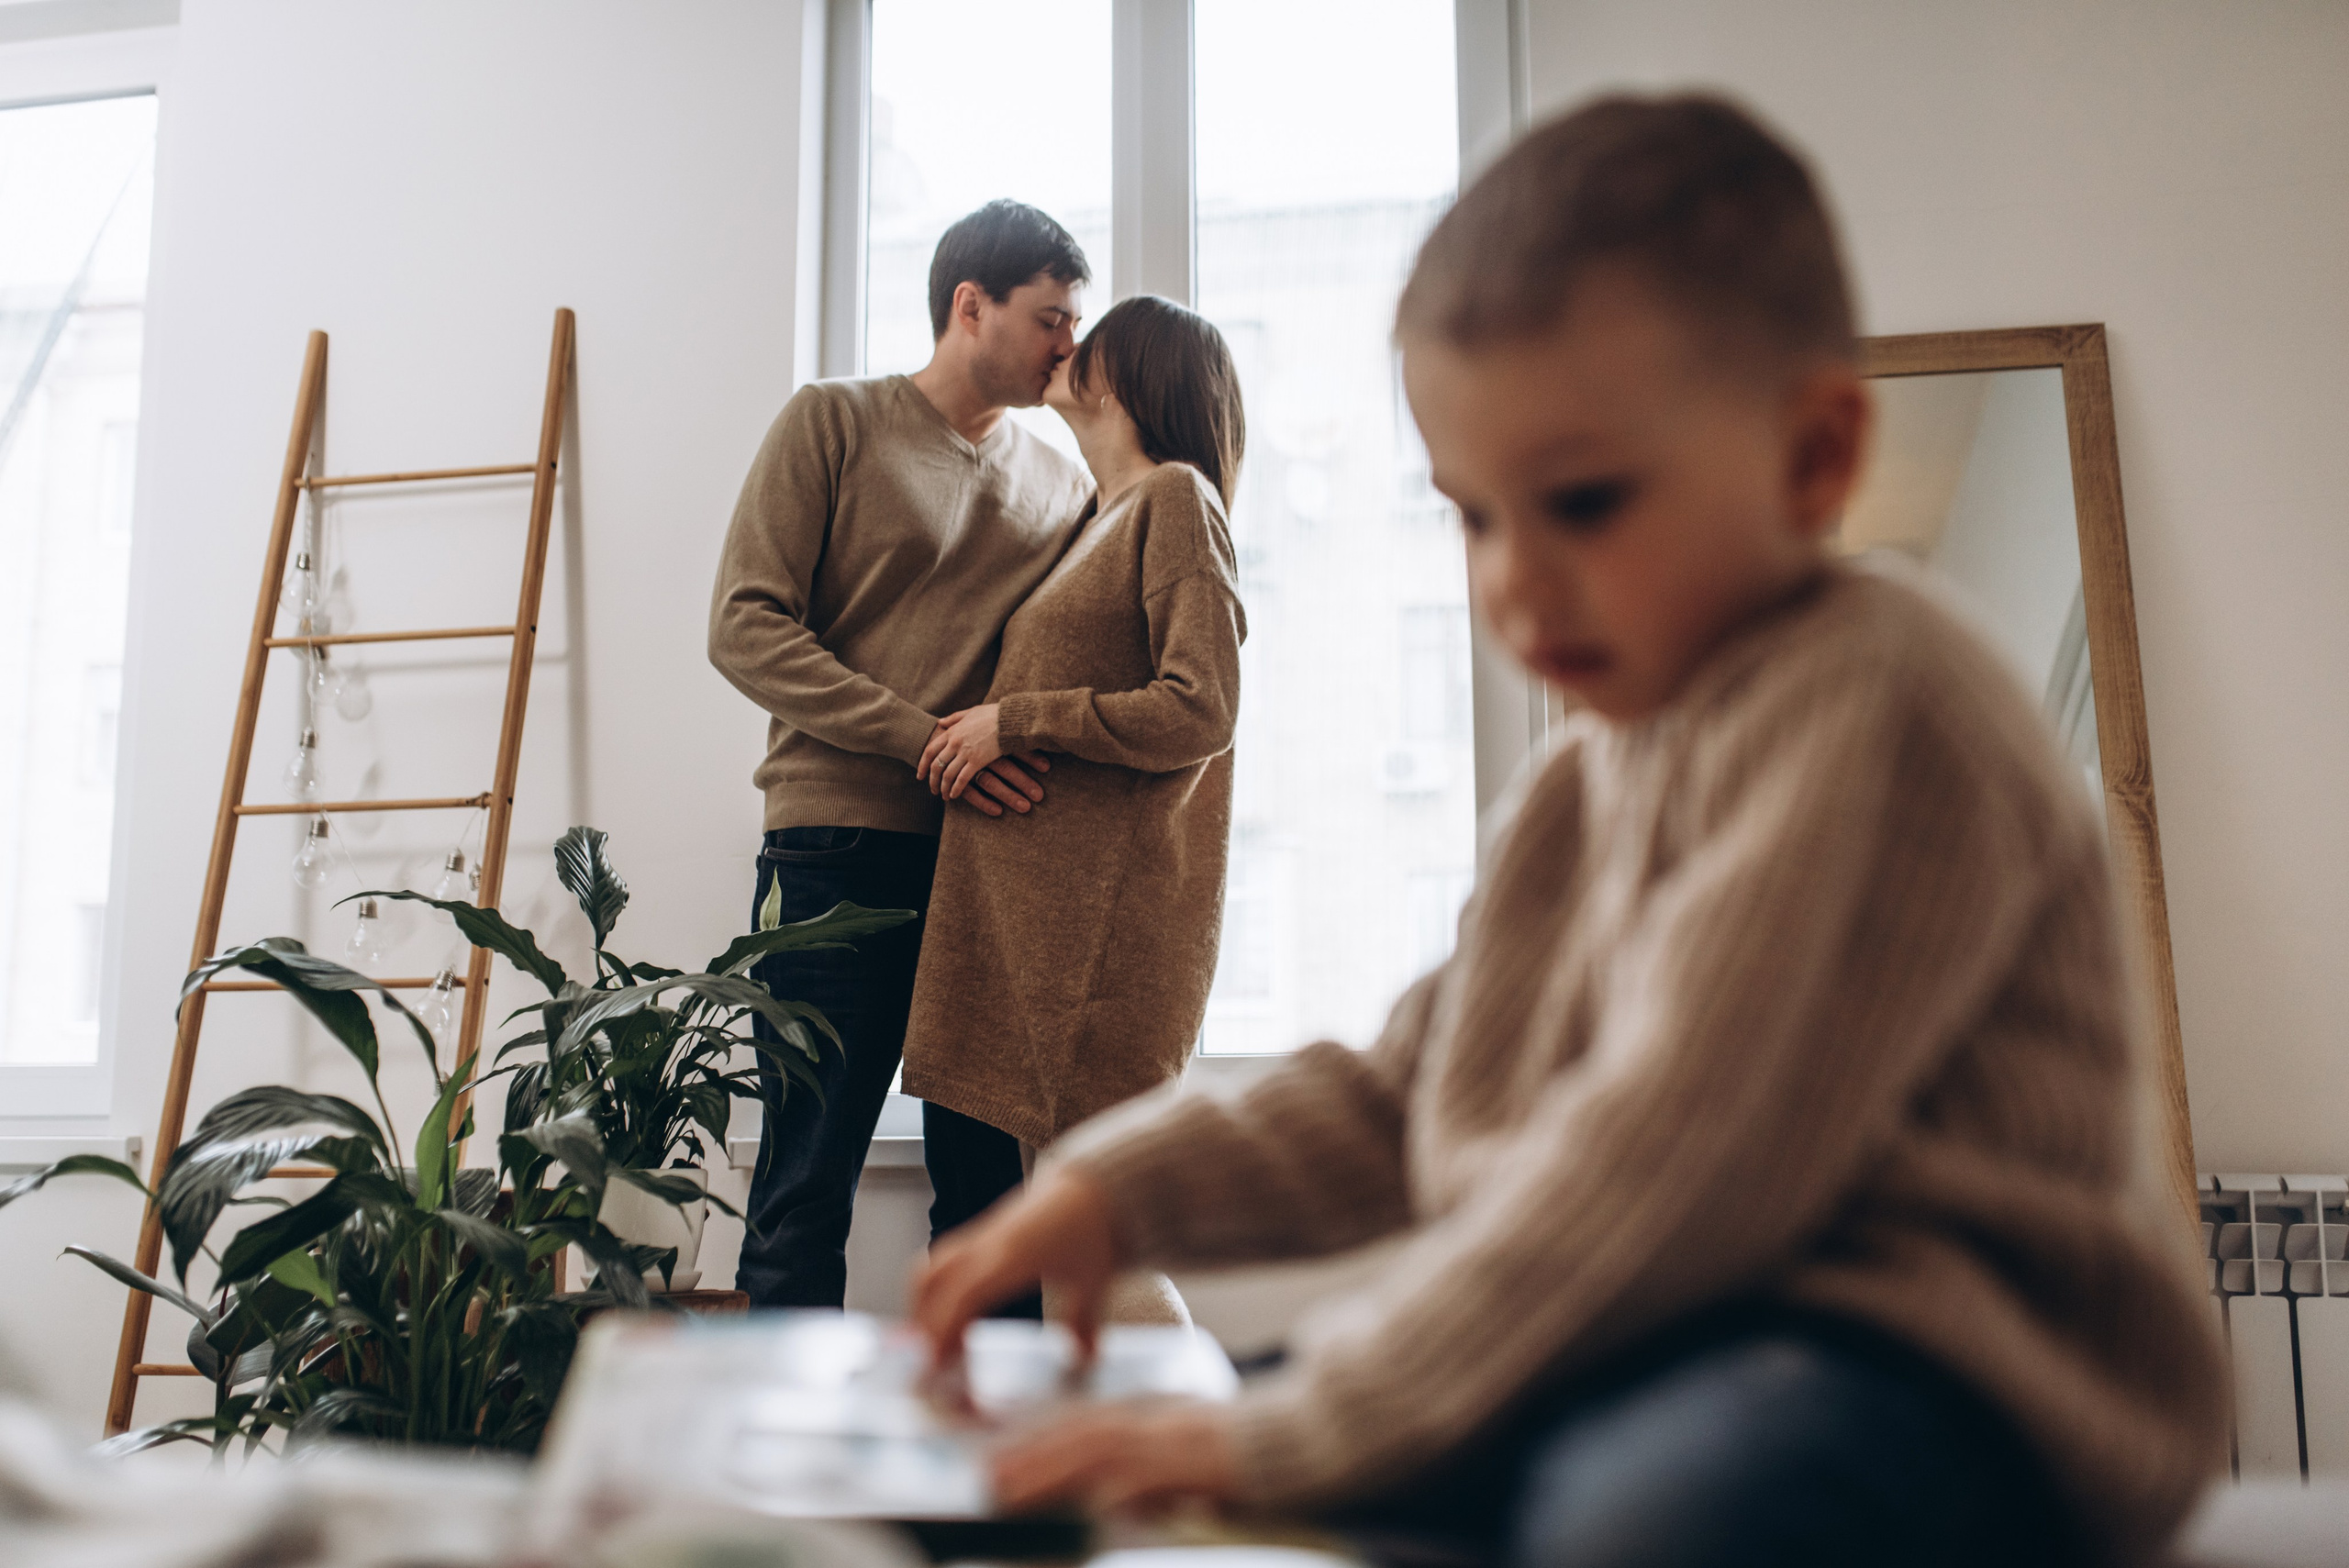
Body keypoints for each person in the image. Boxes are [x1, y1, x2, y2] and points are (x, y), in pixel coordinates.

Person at [908, 95, 2228, 1565]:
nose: (1517, 589)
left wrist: (1293, 1434)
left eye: (1584, 501)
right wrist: (1112, 1188)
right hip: (1682, 1332)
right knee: (1139, 1469)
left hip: (1942, 1377)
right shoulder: (1584, 780)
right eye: (1474, 516)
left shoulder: (1880, 697)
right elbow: (1413, 1090)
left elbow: (1674, 1155)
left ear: (1813, 456)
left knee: (1627, 1511)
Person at [709, 199, 1096, 1309]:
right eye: (1051, 318)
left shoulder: (1065, 485)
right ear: (967, 306)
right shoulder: (831, 424)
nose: (1067, 344)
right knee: (802, 1183)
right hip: (832, 849)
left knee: (987, 1194)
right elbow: (744, 626)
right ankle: (782, 1480)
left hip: (988, 866)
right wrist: (923, 738)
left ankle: (987, 1472)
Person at [898, 295, 1247, 1324]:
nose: (1068, 351)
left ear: (1137, 377)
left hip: (1089, 958)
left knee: (1098, 1253)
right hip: (1013, 944)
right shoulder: (1098, 520)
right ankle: (1018, 1477)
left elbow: (1202, 704)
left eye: (1091, 343)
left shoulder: (1176, 500)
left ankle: (1197, 1465)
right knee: (1000, 1248)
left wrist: (1017, 722)